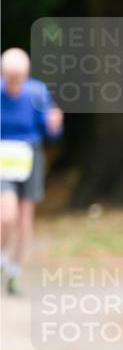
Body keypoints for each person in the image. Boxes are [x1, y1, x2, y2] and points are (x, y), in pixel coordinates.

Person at [1, 48, 64, 294]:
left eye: (19, 78)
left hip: (29, 155)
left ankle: (14, 270)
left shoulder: (36, 92)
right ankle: (2, 254)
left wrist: (54, 124)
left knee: (25, 217)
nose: (15, 84)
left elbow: (51, 133)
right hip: (3, 156)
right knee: (6, 214)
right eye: (10, 78)